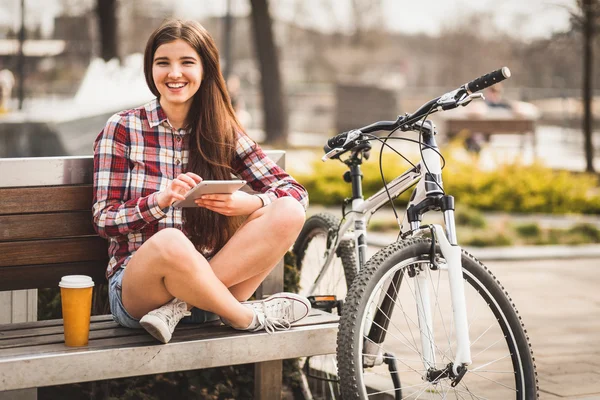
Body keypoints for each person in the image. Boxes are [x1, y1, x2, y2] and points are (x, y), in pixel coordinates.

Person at [92, 19, 310, 344]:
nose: (174, 73)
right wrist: (159, 202)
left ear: (205, 69)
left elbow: (294, 192)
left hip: (211, 292)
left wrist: (250, 202)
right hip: (140, 295)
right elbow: (103, 219)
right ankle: (248, 318)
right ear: (150, 69)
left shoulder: (221, 130)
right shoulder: (123, 128)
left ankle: (181, 306)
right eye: (163, 62)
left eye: (187, 62)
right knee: (171, 240)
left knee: (289, 211)